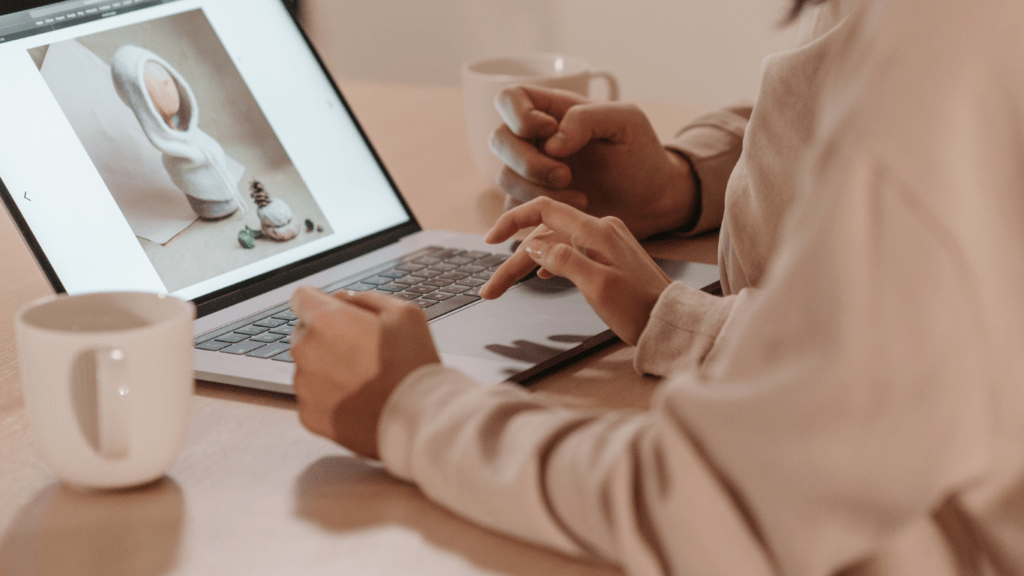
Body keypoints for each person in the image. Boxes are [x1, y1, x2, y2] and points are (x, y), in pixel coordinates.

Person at [290, 0, 1024, 573]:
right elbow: (858, 101)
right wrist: (685, 181)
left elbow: (719, 513)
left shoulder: (948, 38)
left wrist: (412, 411)